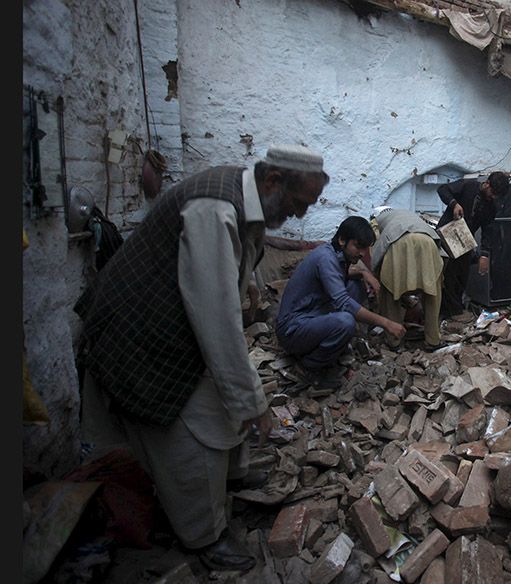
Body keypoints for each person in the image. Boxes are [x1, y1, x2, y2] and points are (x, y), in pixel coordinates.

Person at [74, 145, 331, 571]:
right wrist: (254, 403)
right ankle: (204, 537)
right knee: (190, 443)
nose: (300, 215)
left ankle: (232, 479)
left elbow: (232, 273)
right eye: (297, 203)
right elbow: (216, 316)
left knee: (225, 405)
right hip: (140, 337)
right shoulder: (215, 207)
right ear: (272, 182)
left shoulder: (243, 195)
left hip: (174, 326)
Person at [275, 216, 406, 385]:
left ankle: (334, 342)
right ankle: (308, 367)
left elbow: (340, 276)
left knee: (356, 286)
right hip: (291, 329)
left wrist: (363, 273)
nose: (362, 253)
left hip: (311, 314)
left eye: (366, 248)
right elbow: (343, 302)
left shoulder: (335, 254)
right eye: (358, 247)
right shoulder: (325, 258)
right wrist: (386, 323)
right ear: (342, 240)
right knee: (346, 321)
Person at [435, 171, 510, 317]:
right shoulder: (467, 186)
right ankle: (445, 312)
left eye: (496, 196)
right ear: (486, 184)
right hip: (447, 233)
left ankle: (456, 309)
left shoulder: (491, 206)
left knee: (462, 275)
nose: (493, 197)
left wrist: (485, 255)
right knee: (447, 274)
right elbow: (442, 189)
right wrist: (454, 204)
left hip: (465, 239)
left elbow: (488, 231)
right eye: (492, 193)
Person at [369, 207, 445, 349]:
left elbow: (375, 246)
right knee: (433, 293)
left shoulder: (376, 220)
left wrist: (375, 273)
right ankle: (433, 340)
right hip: (428, 242)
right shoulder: (408, 213)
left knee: (390, 292)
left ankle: (394, 341)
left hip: (398, 244)